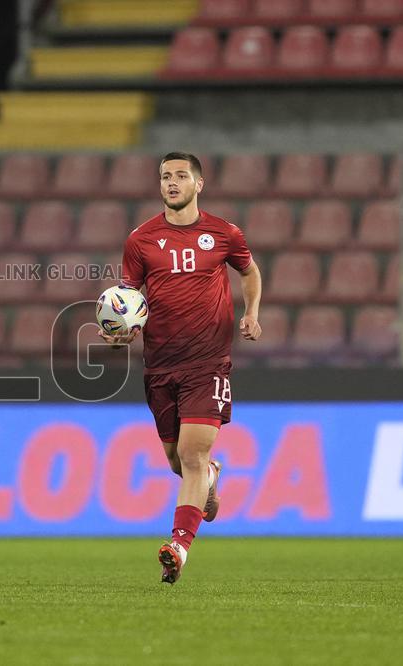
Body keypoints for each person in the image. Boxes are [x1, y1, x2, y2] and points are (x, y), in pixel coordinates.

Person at [101, 151, 262, 585]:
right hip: (160, 365)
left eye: (180, 176)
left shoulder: (224, 233)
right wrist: (120, 331)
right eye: (165, 176)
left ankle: (178, 546)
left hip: (208, 361)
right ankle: (209, 476)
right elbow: (127, 300)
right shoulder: (140, 240)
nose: (171, 182)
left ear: (199, 184)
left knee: (192, 453)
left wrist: (251, 312)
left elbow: (250, 272)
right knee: (178, 461)